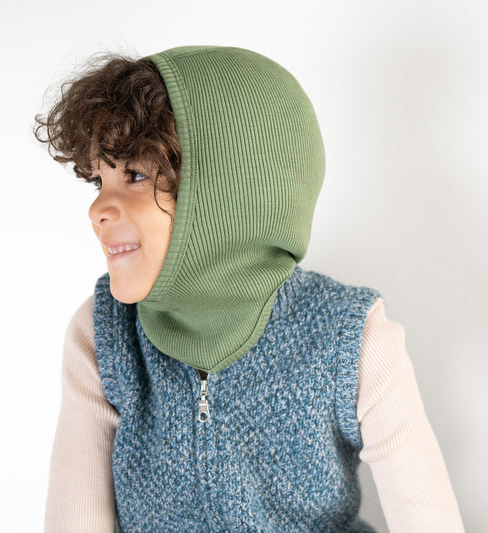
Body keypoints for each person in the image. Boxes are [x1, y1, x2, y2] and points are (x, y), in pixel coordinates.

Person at [34, 46, 464, 532]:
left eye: (135, 175)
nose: (98, 209)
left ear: (230, 191)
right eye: (99, 181)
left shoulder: (353, 339)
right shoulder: (101, 336)